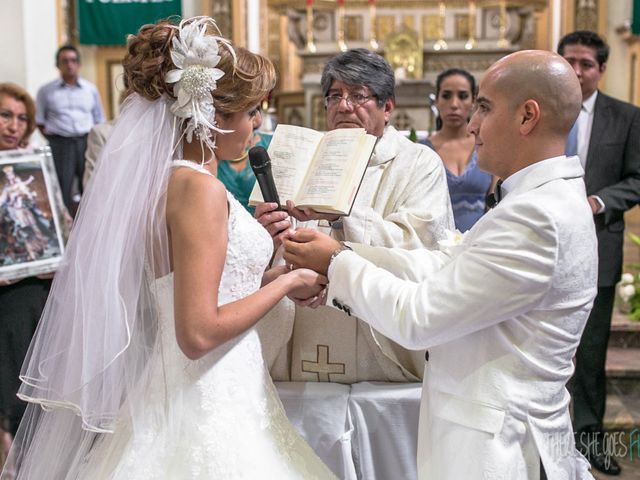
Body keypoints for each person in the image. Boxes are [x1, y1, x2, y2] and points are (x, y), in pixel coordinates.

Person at [2, 17, 336, 479]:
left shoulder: (176, 181)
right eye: (252, 111)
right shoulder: (198, 189)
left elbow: (198, 290)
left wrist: (273, 277)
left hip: (212, 386)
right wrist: (291, 283)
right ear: (215, 118)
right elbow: (197, 333)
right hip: (206, 394)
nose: (259, 123)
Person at [283, 50, 597, 480]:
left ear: (528, 117)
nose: (470, 124)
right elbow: (444, 262)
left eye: (483, 107)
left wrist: (336, 262)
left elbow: (419, 318)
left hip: (498, 449)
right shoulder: (539, 200)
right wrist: (339, 259)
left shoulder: (536, 215)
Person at [256, 48, 453, 385]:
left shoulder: (419, 162)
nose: (344, 106)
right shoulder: (307, 157)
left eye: (358, 95)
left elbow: (420, 243)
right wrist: (267, 235)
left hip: (377, 338)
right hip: (306, 323)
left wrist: (339, 218)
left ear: (387, 107)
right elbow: (273, 249)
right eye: (334, 96)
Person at [558, 30, 640, 476]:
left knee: (589, 355)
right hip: (543, 245)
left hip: (598, 246)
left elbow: (638, 178)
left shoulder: (626, 117)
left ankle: (589, 440)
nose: (576, 70)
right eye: (568, 61)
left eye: (586, 63)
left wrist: (598, 201)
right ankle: (541, 443)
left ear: (601, 69)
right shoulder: (542, 108)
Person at [0, 83, 52, 470]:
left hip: (38, 287)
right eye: (5, 115)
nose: (13, 126)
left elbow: (57, 230)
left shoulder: (36, 170)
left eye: (22, 118)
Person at [36, 45, 105, 212]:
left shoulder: (90, 90)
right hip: (60, 144)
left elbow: (99, 118)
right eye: (65, 61)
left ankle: (91, 226)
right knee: (62, 187)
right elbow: (39, 120)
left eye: (73, 60)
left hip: (86, 142)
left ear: (79, 64)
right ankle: (64, 229)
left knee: (90, 186)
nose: (70, 65)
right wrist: (55, 137)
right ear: (58, 65)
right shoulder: (46, 91)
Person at [424, 68, 494, 232]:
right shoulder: (421, 151)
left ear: (473, 101)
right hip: (433, 248)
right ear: (436, 101)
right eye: (446, 96)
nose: (454, 104)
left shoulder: (488, 145)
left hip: (483, 242)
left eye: (462, 96)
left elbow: (498, 203)